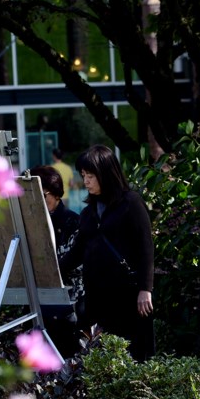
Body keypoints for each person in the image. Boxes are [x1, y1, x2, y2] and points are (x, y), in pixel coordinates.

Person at [60, 145, 155, 361]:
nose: (86, 182)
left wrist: (145, 289)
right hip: (97, 299)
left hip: (127, 298)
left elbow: (146, 247)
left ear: (105, 173)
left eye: (90, 175)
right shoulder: (88, 212)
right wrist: (48, 273)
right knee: (101, 357)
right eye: (83, 175)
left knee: (134, 356)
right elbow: (76, 253)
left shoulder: (131, 203)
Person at [29, 165, 82, 358]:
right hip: (41, 302)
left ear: (57, 194)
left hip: (69, 303)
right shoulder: (31, 222)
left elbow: (74, 263)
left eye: (44, 196)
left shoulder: (72, 221)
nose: (40, 203)